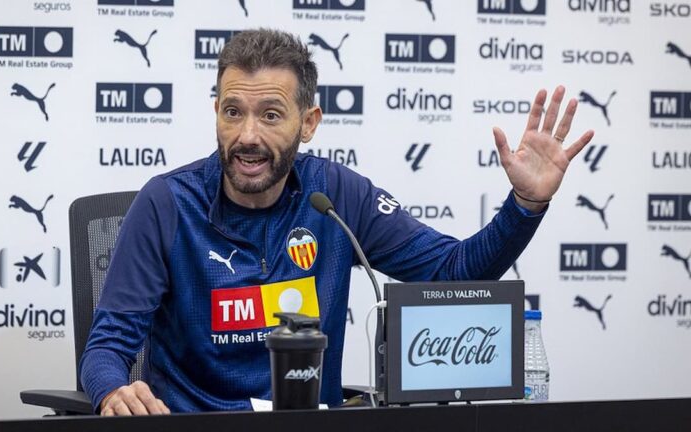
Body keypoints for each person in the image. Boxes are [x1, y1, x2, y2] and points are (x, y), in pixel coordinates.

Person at [79, 28, 594, 416]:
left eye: (271, 115)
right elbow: (106, 348)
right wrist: (112, 392)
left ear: (309, 123)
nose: (247, 135)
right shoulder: (166, 203)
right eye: (232, 112)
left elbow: (453, 271)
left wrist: (524, 205)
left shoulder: (337, 196)